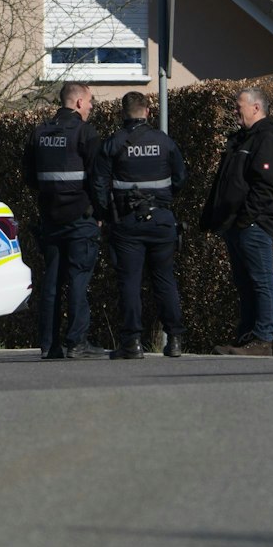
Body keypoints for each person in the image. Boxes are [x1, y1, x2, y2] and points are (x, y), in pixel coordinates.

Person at [99, 91, 186, 360]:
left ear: (123, 113)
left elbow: (99, 184)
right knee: (165, 280)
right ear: (147, 111)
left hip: (127, 222)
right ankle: (174, 341)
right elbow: (180, 178)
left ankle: (132, 343)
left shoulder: (113, 143)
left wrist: (105, 214)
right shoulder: (165, 142)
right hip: (161, 220)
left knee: (130, 282)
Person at [24, 81, 107, 359]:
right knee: (78, 279)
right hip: (80, 219)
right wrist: (100, 213)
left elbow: (29, 178)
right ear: (79, 103)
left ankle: (49, 345)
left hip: (50, 218)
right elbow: (98, 179)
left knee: (51, 282)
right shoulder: (85, 133)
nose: (92, 107)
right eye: (91, 101)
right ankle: (77, 342)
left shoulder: (40, 133)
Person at [200, 86, 273, 356]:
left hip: (253, 225)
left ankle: (262, 339)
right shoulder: (241, 140)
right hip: (236, 224)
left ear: (256, 108)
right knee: (245, 282)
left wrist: (247, 219)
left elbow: (265, 185)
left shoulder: (266, 139)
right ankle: (247, 336)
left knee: (261, 281)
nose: (236, 111)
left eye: (240, 106)